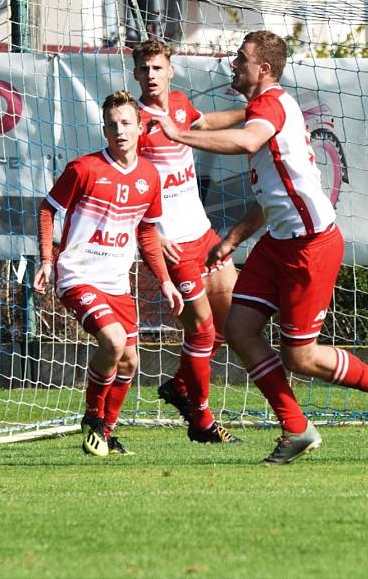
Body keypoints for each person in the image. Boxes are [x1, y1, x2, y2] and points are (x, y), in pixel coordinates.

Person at [156, 30, 368, 465]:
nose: (232, 64)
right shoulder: (269, 106)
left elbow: (246, 140)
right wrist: (233, 239)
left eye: (241, 58)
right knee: (239, 330)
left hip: (311, 245)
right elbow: (272, 194)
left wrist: (177, 134)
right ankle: (295, 427)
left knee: (300, 356)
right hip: (279, 242)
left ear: (263, 69)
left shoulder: (271, 105)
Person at [34, 90, 183, 458]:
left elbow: (147, 233)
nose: (120, 130)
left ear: (140, 128)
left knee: (131, 360)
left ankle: (106, 434)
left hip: (118, 282)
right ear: (104, 130)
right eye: (112, 124)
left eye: (126, 123)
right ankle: (92, 418)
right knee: (114, 342)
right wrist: (48, 259)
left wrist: (164, 280)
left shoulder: (149, 176)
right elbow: (47, 209)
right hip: (77, 275)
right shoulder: (84, 169)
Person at [132, 37, 244, 444]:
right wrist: (154, 235)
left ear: (170, 71)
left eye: (157, 68)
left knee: (232, 325)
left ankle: (180, 386)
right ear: (135, 74)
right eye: (144, 69)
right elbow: (131, 183)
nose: (151, 75)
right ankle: (202, 421)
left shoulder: (179, 104)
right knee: (200, 333)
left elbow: (203, 124)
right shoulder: (135, 123)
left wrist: (253, 113)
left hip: (204, 234)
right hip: (173, 245)